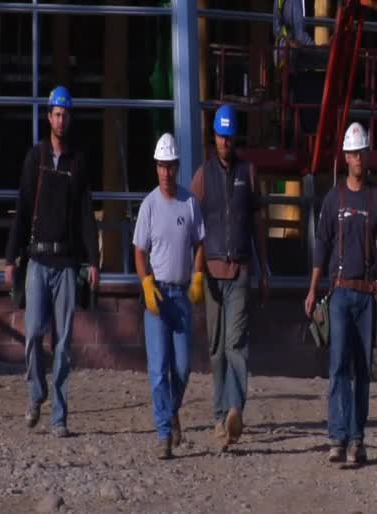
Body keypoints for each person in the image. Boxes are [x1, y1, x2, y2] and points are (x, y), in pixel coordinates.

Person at [4, 85, 100, 436]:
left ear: (71, 118)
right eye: (56, 114)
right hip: (37, 262)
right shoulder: (36, 158)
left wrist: (93, 261)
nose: (61, 120)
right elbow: (23, 209)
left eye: (66, 114)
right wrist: (10, 258)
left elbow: (87, 214)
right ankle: (35, 393)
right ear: (48, 117)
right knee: (32, 334)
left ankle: (59, 416)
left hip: (66, 264)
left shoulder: (78, 162)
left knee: (63, 342)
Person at [304, 122, 377, 464]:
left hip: (367, 296)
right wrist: (313, 289)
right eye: (354, 153)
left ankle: (358, 439)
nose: (359, 158)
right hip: (341, 295)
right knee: (338, 365)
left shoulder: (376, 199)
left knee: (362, 370)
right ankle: (337, 438)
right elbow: (322, 245)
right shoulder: (334, 199)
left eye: (362, 153)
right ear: (345, 157)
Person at [191, 104, 268, 450]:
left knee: (235, 342)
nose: (225, 142)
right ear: (214, 138)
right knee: (216, 346)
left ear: (235, 137)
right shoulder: (202, 177)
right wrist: (194, 271)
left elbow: (258, 225)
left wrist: (264, 267)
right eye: (220, 136)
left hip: (239, 269)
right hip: (210, 272)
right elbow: (193, 229)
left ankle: (236, 408)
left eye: (229, 136)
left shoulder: (248, 174)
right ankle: (220, 415)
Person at [133, 133, 206, 459]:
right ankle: (164, 432)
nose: (165, 172)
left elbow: (199, 243)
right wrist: (146, 282)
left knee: (183, 367)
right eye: (161, 166)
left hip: (181, 294)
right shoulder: (149, 205)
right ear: (156, 168)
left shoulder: (189, 203)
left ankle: (172, 409)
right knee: (158, 367)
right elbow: (139, 251)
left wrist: (198, 276)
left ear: (177, 167)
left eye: (170, 166)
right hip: (158, 295)